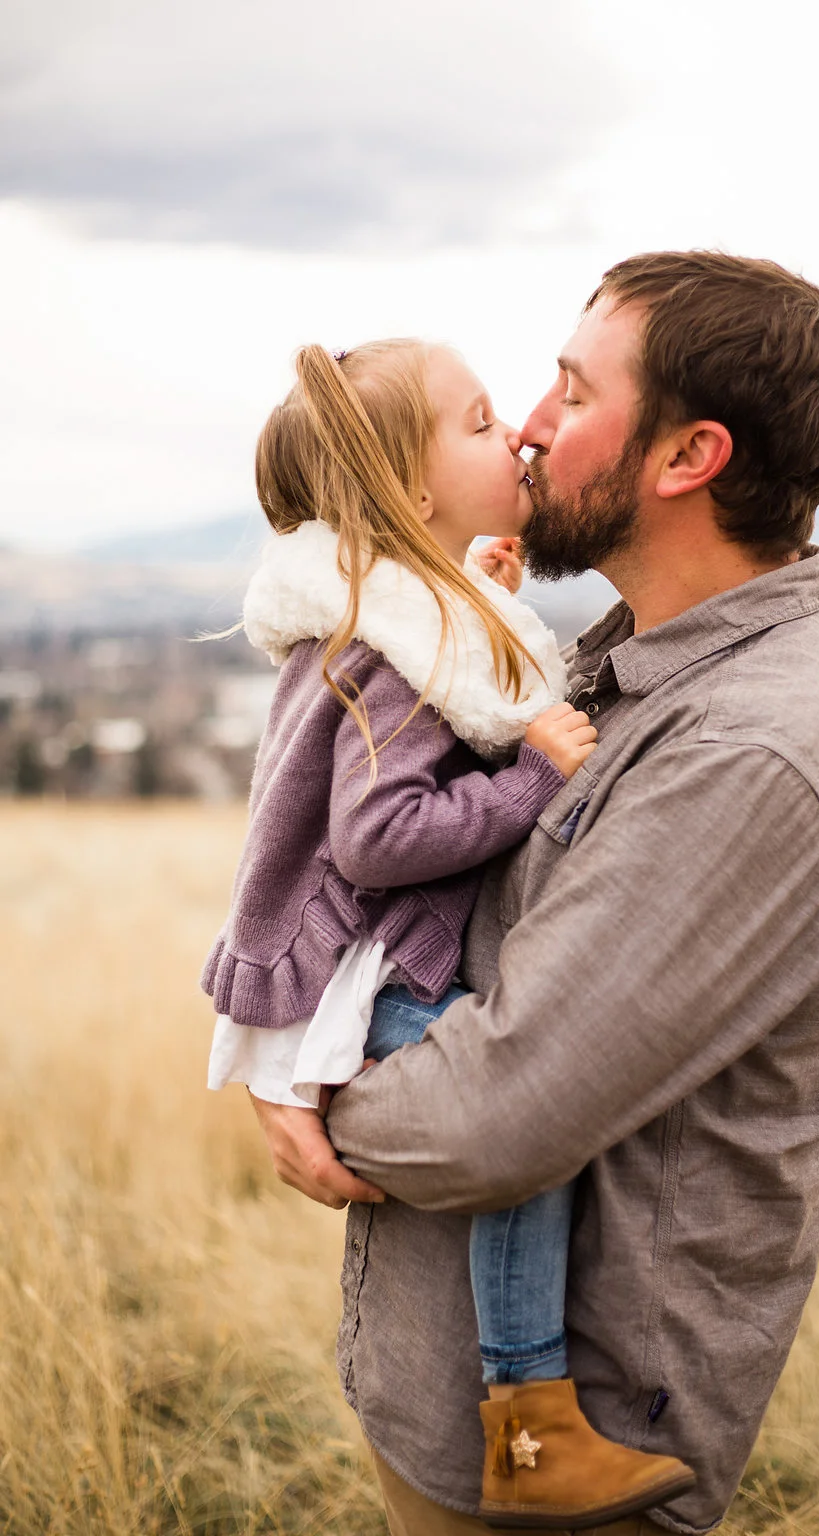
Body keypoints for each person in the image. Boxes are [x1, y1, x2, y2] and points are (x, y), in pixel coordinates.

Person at [252, 252, 819, 1536]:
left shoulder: (752, 750)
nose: (532, 423)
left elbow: (489, 1120)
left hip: (570, 1459)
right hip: (439, 1393)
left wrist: (301, 1083)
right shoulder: (625, 660)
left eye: (570, 388)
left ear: (688, 457)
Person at [204, 337, 695, 1528]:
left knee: (522, 1123)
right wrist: (535, 775)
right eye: (479, 423)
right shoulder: (393, 653)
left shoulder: (402, 609)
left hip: (366, 963)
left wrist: (481, 587)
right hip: (371, 982)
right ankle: (528, 1424)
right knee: (523, 1135)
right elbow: (378, 836)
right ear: (412, 497)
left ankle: (526, 1421)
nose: (515, 433)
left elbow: (435, 702)